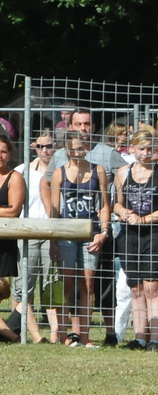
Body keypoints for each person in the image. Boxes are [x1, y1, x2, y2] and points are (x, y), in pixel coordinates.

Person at [111, 130, 158, 350]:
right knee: (136, 288)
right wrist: (123, 213)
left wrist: (144, 219)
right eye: (141, 148)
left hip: (155, 235)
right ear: (132, 149)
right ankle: (139, 337)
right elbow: (116, 203)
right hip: (130, 235)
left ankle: (155, 339)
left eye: (150, 149)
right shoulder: (123, 172)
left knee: (153, 288)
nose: (146, 153)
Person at [45, 131, 110, 346]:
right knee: (67, 282)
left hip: (90, 231)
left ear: (87, 148)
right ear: (65, 149)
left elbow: (104, 206)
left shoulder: (97, 171)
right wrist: (53, 240)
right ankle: (63, 332)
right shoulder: (59, 173)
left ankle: (84, 335)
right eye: (72, 149)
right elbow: (55, 209)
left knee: (88, 283)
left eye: (80, 148)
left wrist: (104, 231)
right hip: (65, 232)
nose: (76, 152)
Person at [23, 132, 58, 343]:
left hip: (53, 232)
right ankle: (36, 335)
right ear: (34, 147)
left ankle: (55, 333)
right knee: (25, 285)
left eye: (49, 146)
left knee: (52, 284)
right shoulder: (24, 171)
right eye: (40, 146)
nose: (45, 150)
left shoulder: (62, 170)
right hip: (27, 231)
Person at [0, 137, 22, 336]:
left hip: (4, 241)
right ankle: (8, 333)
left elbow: (13, 210)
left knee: (2, 288)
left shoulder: (14, 178)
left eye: (3, 151)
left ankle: (9, 334)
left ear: (10, 154)